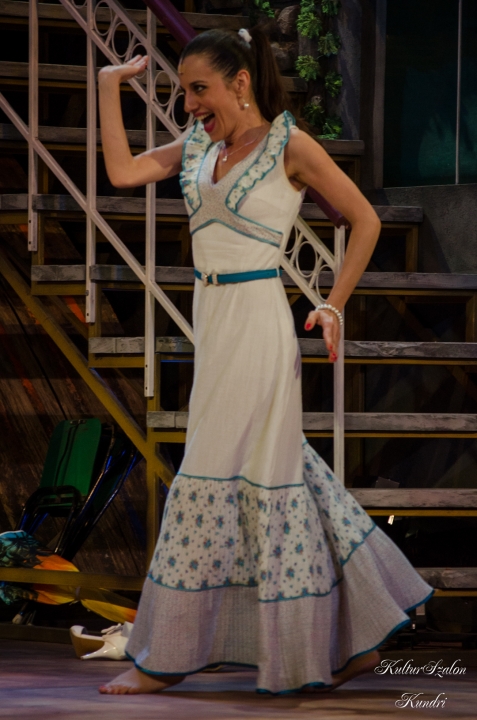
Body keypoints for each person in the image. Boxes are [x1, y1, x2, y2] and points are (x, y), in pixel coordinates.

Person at [97, 27, 433, 695]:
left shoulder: (290, 145)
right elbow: (123, 173)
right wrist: (108, 87)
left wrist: (333, 304)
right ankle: (348, 641)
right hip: (213, 322)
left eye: (199, 89)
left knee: (214, 469)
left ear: (241, 82)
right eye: (183, 92)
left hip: (257, 323)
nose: (189, 104)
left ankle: (163, 658)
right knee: (274, 472)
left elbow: (364, 220)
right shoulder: (199, 144)